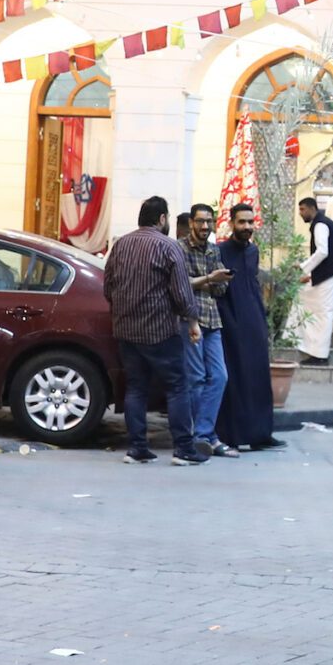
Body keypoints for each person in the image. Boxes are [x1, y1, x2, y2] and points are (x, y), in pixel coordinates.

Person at [103, 195, 204, 465]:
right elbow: (182, 293)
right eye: (168, 218)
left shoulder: (120, 245)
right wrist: (192, 322)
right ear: (162, 219)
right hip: (160, 332)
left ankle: (137, 448)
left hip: (126, 331)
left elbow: (108, 287)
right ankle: (183, 449)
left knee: (136, 388)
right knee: (177, 387)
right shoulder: (169, 247)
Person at [214, 202, 283, 451]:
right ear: (232, 223)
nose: (247, 227)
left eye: (250, 222)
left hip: (253, 321)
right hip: (230, 322)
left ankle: (261, 434)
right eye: (242, 222)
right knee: (235, 379)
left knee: (258, 377)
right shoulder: (219, 251)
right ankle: (232, 435)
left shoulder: (253, 251)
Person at [182, 204, 235, 456]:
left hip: (213, 320)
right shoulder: (180, 248)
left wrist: (214, 281)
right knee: (196, 378)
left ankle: (203, 434)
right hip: (189, 319)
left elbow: (220, 289)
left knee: (220, 376)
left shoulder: (214, 249)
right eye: (201, 222)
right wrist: (209, 280)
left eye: (209, 222)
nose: (205, 227)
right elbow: (181, 286)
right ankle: (206, 437)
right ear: (191, 222)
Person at [294, 196, 333, 362]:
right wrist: (310, 275)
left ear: (312, 208)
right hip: (326, 275)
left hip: (328, 277)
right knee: (308, 305)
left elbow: (323, 252)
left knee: (321, 313)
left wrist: (304, 267)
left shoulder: (320, 224)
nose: (300, 213)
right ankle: (311, 349)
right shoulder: (322, 223)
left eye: (303, 209)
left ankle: (319, 354)